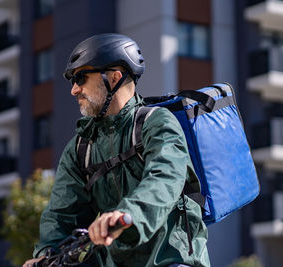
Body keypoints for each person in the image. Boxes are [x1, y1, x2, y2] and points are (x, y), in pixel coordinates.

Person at [23, 33, 211, 267]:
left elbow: (164, 179)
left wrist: (127, 216)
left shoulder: (157, 123)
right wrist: (45, 254)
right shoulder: (82, 147)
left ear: (114, 78)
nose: (74, 90)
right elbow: (62, 215)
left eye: (81, 77)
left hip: (169, 258)